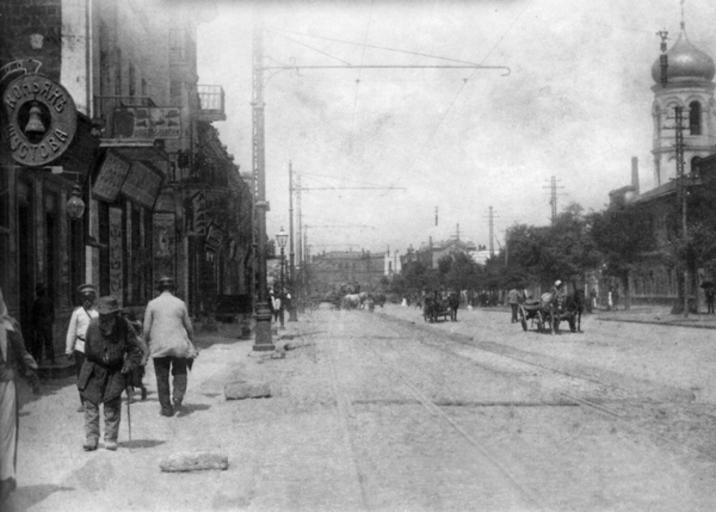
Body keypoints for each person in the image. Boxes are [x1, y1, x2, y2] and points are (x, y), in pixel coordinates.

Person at [78, 296, 142, 451]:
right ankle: (91, 438)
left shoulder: (124, 326)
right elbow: (87, 350)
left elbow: (135, 349)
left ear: (115, 315)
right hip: (94, 368)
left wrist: (129, 364)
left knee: (112, 402)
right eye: (102, 316)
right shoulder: (93, 326)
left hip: (115, 370)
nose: (105, 320)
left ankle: (110, 438)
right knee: (90, 403)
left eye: (109, 317)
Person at [0, 287, 40, 504]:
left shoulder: (10, 326)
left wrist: (31, 374)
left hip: (5, 386)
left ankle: (5, 478)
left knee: (6, 432)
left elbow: (22, 353)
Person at [142, 276, 198, 417]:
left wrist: (145, 345)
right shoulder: (180, 303)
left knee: (161, 377)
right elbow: (188, 326)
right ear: (173, 289)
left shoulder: (152, 304)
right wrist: (192, 342)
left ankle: (166, 408)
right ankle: (178, 396)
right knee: (180, 371)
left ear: (159, 289)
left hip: (159, 345)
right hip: (178, 343)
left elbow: (146, 329)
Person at [65, 284, 99, 412]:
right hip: (80, 347)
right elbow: (71, 332)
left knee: (95, 374)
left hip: (95, 348)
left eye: (90, 299)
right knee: (81, 375)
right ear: (81, 299)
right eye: (85, 299)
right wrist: (69, 349)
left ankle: (94, 399)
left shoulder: (97, 313)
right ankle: (83, 401)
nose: (87, 302)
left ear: (93, 299)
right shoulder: (77, 313)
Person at [31, 283, 55, 364]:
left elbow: (34, 314)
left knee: (39, 342)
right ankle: (52, 359)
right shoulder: (49, 301)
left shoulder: (37, 302)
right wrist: (51, 321)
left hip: (40, 324)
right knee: (49, 342)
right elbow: (52, 313)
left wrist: (34, 325)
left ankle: (39, 359)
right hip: (47, 324)